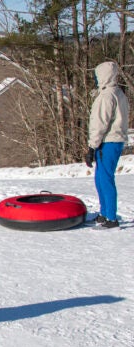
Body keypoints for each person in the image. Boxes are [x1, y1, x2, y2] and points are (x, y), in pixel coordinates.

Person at [85, 61, 129, 229]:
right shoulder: (119, 93)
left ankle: (111, 217)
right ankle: (104, 213)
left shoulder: (107, 96)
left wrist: (92, 146)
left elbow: (99, 123)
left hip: (108, 141)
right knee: (100, 177)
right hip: (114, 141)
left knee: (105, 179)